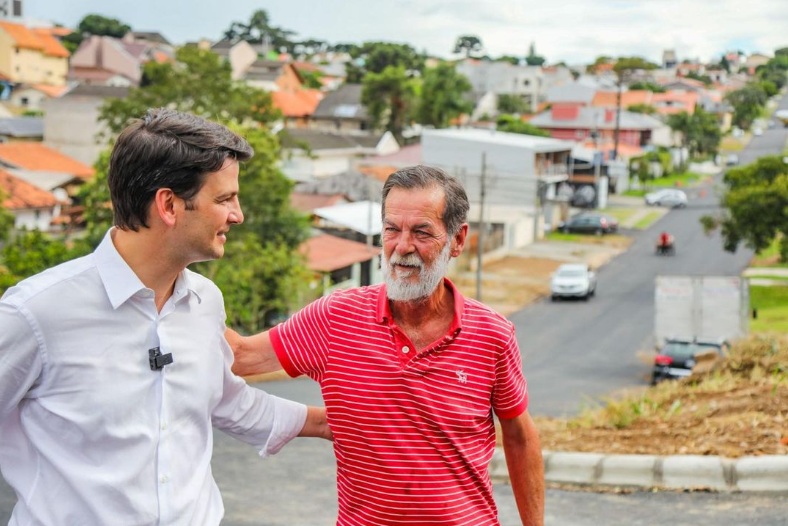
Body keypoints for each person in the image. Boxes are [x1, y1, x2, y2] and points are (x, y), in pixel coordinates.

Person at [0, 108, 331, 525]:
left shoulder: (204, 301)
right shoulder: (35, 314)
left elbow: (226, 400)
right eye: (225, 199)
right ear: (169, 205)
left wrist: (330, 422)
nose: (238, 215)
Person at [229, 165, 544, 525]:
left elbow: (520, 436)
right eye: (392, 230)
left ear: (457, 240)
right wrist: (171, 271)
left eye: (422, 232)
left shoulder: (492, 334)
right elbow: (240, 356)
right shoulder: (336, 318)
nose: (402, 247)